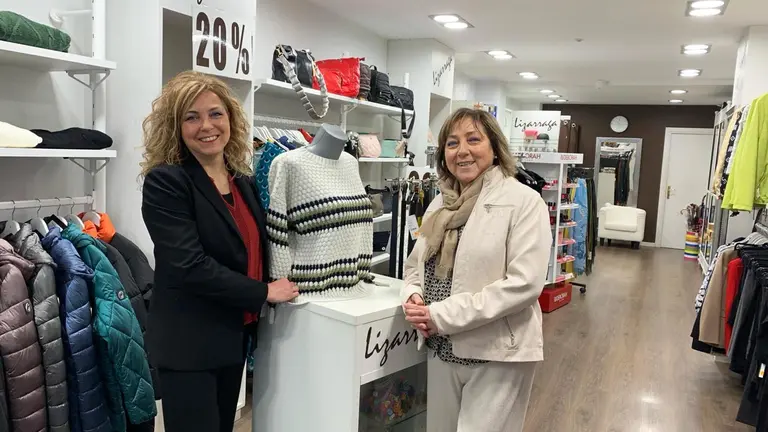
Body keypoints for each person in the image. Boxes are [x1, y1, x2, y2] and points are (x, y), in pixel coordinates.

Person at [140, 71, 298, 432]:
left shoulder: (242, 181)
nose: (206, 126)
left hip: (232, 336)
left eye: (215, 113)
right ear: (176, 126)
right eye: (191, 117)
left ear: (231, 118)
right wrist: (264, 292)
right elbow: (189, 266)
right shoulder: (166, 182)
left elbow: (254, 250)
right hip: (189, 345)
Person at [401, 108, 551, 432]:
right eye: (452, 143)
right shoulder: (439, 204)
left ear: (494, 147)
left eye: (473, 139)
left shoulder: (524, 202)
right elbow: (415, 266)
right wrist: (413, 296)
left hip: (496, 354)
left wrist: (441, 315)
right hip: (440, 348)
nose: (462, 151)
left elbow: (524, 284)